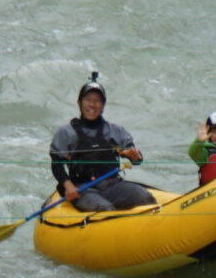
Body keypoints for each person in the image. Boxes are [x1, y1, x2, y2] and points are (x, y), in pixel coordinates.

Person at [49, 73, 154, 211]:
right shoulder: (66, 132)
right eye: (88, 100)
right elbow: (57, 164)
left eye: (97, 101)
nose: (92, 105)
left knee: (146, 198)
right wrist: (68, 185)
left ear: (103, 105)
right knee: (105, 208)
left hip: (112, 185)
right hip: (83, 188)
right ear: (80, 102)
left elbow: (137, 159)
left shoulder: (115, 131)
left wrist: (134, 156)